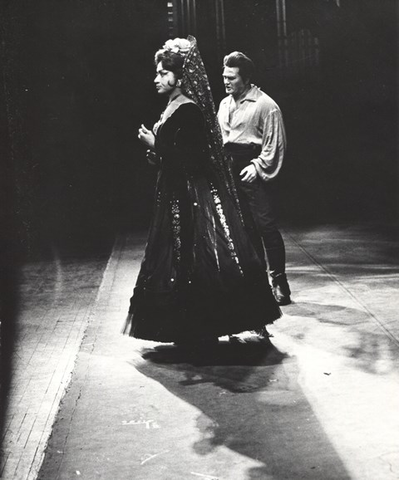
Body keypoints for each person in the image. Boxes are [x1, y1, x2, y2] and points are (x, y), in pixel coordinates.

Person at [123, 37, 281, 346]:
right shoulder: (172, 106)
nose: (157, 78)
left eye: (163, 73)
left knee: (197, 255)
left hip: (188, 195)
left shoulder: (189, 110)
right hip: (172, 193)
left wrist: (157, 146)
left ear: (179, 76)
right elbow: (175, 154)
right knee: (179, 258)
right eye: (157, 73)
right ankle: (185, 325)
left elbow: (192, 160)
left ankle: (202, 324)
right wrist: (157, 154)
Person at [217, 51, 291, 306]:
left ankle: (279, 282)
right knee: (245, 229)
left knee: (266, 227)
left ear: (245, 78)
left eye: (232, 77)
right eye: (224, 76)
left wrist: (257, 167)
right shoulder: (225, 104)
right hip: (230, 168)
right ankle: (258, 282)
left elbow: (274, 145)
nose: (226, 82)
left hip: (253, 169)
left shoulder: (265, 105)